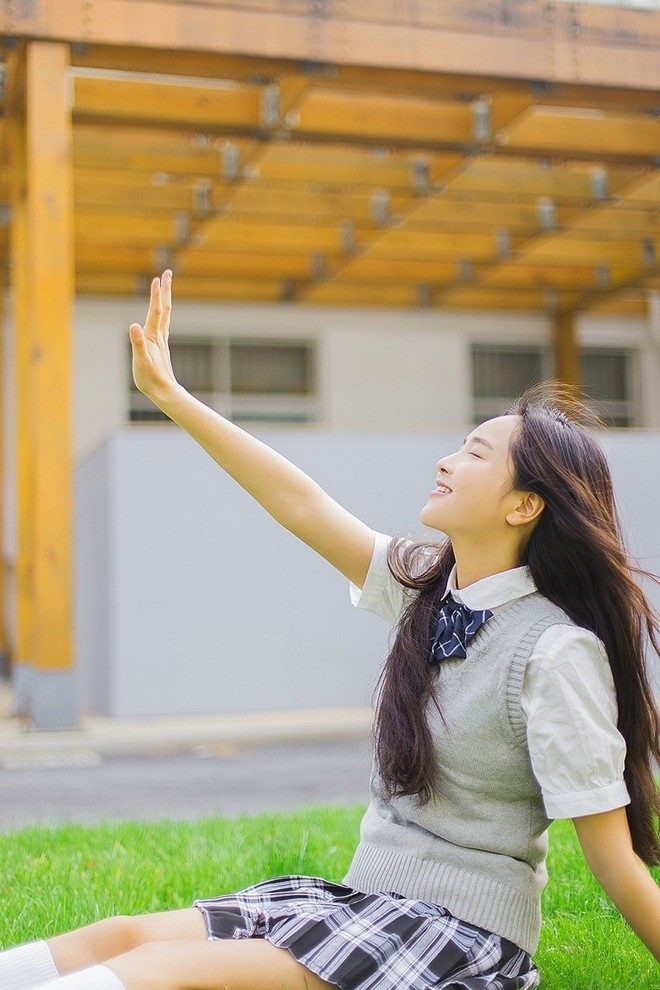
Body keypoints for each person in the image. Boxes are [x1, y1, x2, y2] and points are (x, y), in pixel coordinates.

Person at [2, 270, 659, 990]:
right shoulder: (425, 586)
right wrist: (171, 397)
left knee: (159, 970)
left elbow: (615, 863)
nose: (446, 460)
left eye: (476, 453)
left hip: (455, 936)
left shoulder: (553, 651)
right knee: (117, 936)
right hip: (363, 900)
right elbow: (300, 503)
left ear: (524, 506)